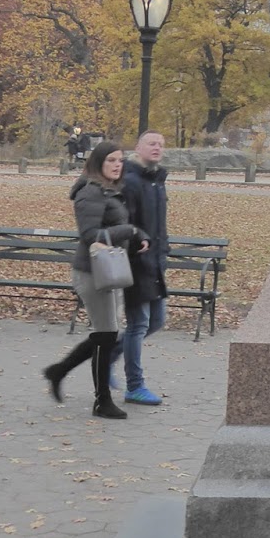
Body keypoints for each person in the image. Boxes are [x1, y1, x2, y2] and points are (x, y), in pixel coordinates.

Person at [43, 141, 148, 419]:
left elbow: (113, 228)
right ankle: (102, 401)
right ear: (98, 163)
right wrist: (131, 230)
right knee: (106, 336)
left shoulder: (109, 190)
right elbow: (89, 235)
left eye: (120, 160)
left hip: (109, 269)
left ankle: (59, 371)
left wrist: (138, 236)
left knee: (105, 335)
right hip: (92, 272)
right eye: (111, 160)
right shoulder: (90, 192)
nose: (117, 165)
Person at [116, 130, 170, 406]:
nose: (157, 148)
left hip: (155, 264)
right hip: (135, 263)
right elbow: (124, 221)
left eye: (161, 144)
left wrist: (163, 250)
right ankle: (134, 386)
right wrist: (138, 239)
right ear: (138, 147)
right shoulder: (131, 180)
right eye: (151, 143)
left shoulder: (156, 181)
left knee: (158, 321)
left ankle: (109, 354)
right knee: (138, 324)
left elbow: (159, 224)